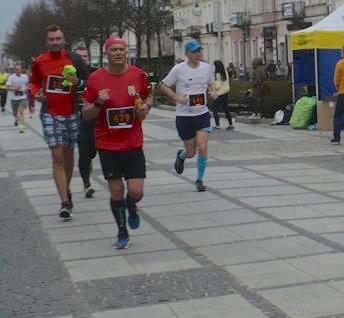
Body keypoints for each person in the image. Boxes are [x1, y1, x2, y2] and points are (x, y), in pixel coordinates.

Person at [82, 37, 153, 249]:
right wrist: (98, 102)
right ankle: (122, 231)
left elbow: (149, 96)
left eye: (121, 49)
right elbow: (86, 113)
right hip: (108, 144)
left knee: (136, 191)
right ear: (106, 53)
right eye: (113, 50)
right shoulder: (95, 79)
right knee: (116, 191)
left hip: (132, 142)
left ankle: (132, 205)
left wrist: (146, 107)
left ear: (126, 51)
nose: (118, 53)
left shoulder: (138, 74)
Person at [30, 25, 90, 219]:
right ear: (47, 42)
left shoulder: (74, 59)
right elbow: (34, 82)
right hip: (50, 113)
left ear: (64, 40)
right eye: (52, 39)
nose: (55, 42)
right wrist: (36, 93)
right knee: (57, 157)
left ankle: (66, 188)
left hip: (71, 112)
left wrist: (77, 83)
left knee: (68, 154)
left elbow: (89, 82)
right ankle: (65, 202)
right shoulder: (40, 61)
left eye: (58, 39)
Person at [161, 40, 215, 192]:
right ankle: (181, 156)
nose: (198, 54)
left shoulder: (206, 68)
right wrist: (177, 98)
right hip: (184, 116)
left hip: (202, 113)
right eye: (194, 51)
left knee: (202, 147)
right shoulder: (178, 69)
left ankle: (199, 180)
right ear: (186, 54)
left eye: (199, 51)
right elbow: (164, 86)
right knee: (191, 152)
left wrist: (213, 92)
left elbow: (211, 84)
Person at [211, 59, 234, 130]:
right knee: (226, 108)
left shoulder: (218, 74)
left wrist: (213, 86)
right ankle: (230, 124)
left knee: (215, 109)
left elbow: (217, 86)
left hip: (219, 93)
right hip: (226, 92)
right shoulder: (226, 72)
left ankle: (217, 125)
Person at [6, 64, 29, 132]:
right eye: (17, 70)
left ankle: (21, 127)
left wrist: (26, 89)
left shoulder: (25, 76)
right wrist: (14, 88)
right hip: (14, 98)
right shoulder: (11, 77)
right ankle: (16, 118)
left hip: (22, 97)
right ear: (15, 70)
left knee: (21, 111)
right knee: (15, 113)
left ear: (21, 70)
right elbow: (7, 88)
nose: (18, 71)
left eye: (19, 69)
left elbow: (27, 85)